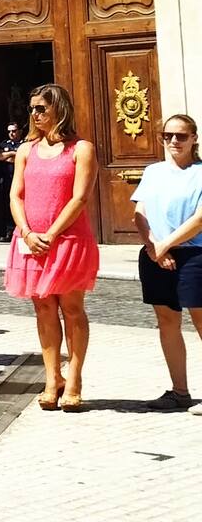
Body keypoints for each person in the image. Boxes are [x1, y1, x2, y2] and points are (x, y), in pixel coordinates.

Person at [4, 83, 99, 411]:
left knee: (72, 310)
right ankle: (51, 377)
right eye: (32, 109)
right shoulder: (26, 150)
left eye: (41, 108)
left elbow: (80, 197)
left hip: (68, 241)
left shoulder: (81, 149)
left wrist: (52, 234)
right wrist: (28, 232)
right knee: (43, 309)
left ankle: (74, 378)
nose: (35, 114)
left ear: (60, 109)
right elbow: (16, 194)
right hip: (30, 241)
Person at [134, 113, 202, 412]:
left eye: (181, 136)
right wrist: (153, 247)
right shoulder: (153, 171)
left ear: (194, 139)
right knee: (167, 322)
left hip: (193, 255)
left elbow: (200, 218)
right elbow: (140, 211)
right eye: (168, 136)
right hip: (156, 255)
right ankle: (179, 391)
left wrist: (165, 244)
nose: (174, 141)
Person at [0, 122, 23, 240]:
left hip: (21, 180)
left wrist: (7, 157)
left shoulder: (25, 144)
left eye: (14, 131)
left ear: (19, 131)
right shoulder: (4, 144)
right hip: (6, 180)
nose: (11, 133)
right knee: (7, 206)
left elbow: (25, 157)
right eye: (9, 131)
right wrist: (11, 154)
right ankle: (8, 231)